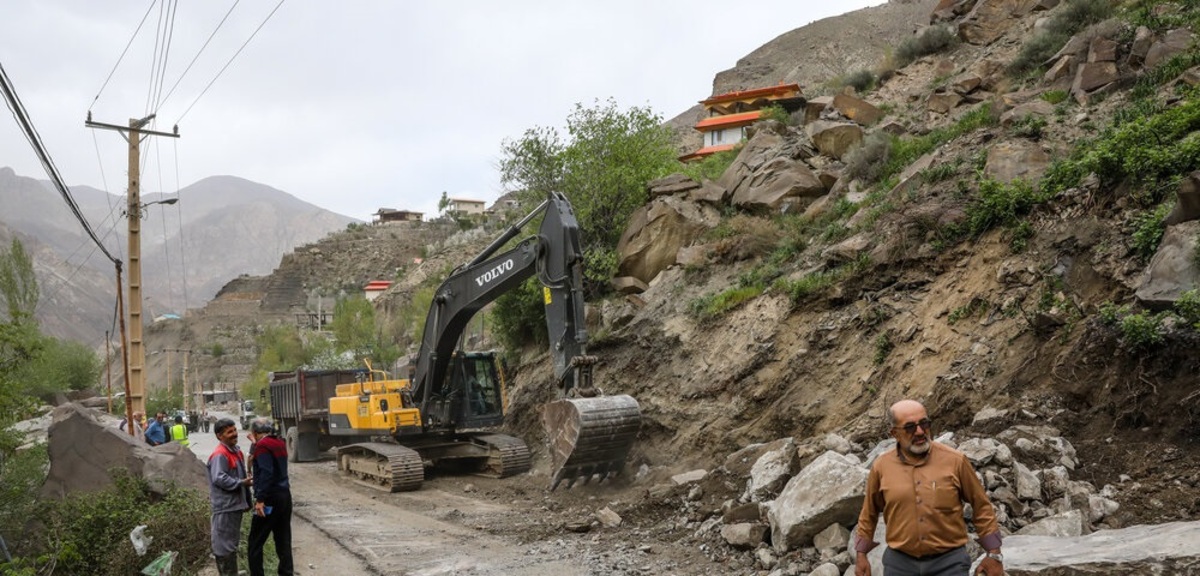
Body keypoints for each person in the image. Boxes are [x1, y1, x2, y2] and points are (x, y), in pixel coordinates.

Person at [853, 399, 1004, 576]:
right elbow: (869, 513)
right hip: (899, 565)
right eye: (909, 427)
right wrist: (861, 554)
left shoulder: (955, 461)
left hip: (950, 564)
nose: (919, 432)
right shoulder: (881, 467)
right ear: (894, 433)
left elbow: (981, 507)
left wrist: (994, 555)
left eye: (924, 424)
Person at [246, 418, 294, 576]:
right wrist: (255, 444)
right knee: (283, 539)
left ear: (255, 433)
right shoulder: (279, 442)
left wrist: (260, 500)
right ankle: (287, 573)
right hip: (285, 496)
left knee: (255, 542)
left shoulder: (262, 446)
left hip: (269, 499)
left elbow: (266, 472)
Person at [208, 418, 253, 576]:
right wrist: (241, 483)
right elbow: (219, 478)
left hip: (234, 505)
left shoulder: (235, 450)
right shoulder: (220, 454)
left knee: (231, 542)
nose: (234, 434)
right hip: (225, 507)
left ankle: (231, 572)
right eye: (229, 432)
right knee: (223, 545)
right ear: (220, 436)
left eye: (234, 430)